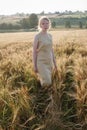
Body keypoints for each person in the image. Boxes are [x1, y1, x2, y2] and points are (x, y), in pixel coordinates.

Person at [33, 16, 57, 87]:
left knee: (48, 81)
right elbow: (34, 52)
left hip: (49, 61)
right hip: (41, 62)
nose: (45, 25)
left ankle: (45, 95)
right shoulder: (37, 36)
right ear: (40, 25)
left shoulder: (50, 36)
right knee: (47, 82)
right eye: (43, 23)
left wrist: (55, 63)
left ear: (49, 25)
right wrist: (34, 65)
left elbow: (51, 50)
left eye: (47, 23)